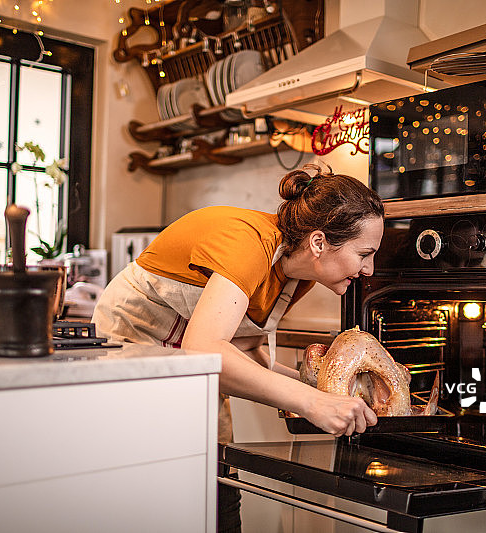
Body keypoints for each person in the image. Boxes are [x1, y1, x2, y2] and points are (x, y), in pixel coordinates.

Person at [92, 163, 383, 532]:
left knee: (215, 486)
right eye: (364, 253)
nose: (370, 269)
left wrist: (320, 390)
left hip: (192, 358)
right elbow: (205, 349)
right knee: (149, 486)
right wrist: (310, 403)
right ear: (319, 242)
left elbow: (241, 348)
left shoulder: (299, 274)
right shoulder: (249, 244)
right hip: (135, 345)